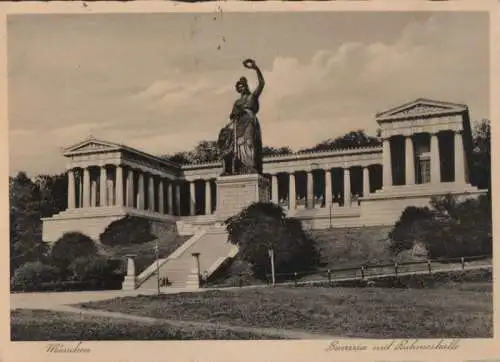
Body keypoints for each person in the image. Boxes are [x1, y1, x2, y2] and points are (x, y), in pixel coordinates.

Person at [218, 59, 265, 175]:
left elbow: (262, 83)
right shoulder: (237, 102)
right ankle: (234, 167)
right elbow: (232, 117)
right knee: (235, 143)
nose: (241, 88)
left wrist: (256, 68)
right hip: (238, 124)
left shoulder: (252, 97)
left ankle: (250, 165)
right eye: (239, 87)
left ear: (246, 86)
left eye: (242, 86)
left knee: (248, 142)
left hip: (249, 120)